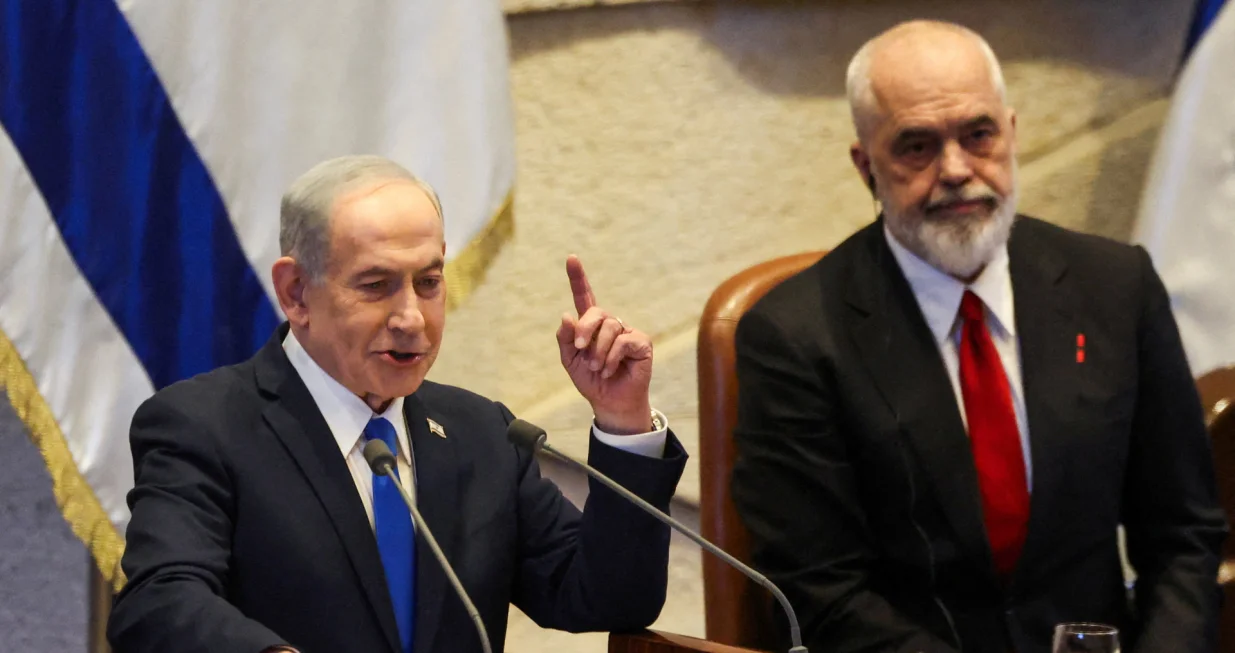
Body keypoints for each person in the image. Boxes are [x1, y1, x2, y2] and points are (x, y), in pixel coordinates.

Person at [731, 20, 1226, 653]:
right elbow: (819, 592)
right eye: (916, 145)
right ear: (866, 166)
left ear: (1011, 133)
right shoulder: (794, 336)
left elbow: (1184, 535)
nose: (957, 169)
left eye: (978, 134)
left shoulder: (1116, 287)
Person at [107, 155, 687, 653]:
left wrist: (622, 421)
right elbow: (159, 603)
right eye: (376, 285)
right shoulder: (204, 425)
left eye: (429, 282)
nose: (412, 318)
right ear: (296, 293)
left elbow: (609, 597)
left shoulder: (480, 433)